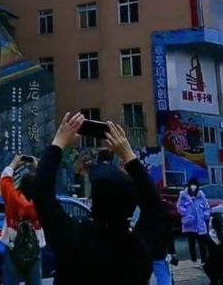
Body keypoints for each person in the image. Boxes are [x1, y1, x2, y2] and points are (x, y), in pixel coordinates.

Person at [33, 112, 165, 285]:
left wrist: (58, 143)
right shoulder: (137, 250)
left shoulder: (75, 239)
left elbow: (42, 194)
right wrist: (128, 155)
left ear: (93, 200)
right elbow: (154, 206)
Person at [0, 154, 45, 285]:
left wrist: (13, 165)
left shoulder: (13, 199)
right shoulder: (40, 201)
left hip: (13, 246)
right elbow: (46, 185)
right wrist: (38, 168)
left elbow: (5, 181)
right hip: (35, 247)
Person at [177, 177, 210, 264]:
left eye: (195, 185)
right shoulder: (183, 195)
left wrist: (205, 215)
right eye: (192, 185)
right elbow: (179, 206)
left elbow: (207, 207)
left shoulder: (201, 195)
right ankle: (193, 259)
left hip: (200, 222)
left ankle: (204, 260)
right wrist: (186, 214)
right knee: (191, 242)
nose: (193, 187)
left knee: (202, 243)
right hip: (190, 223)